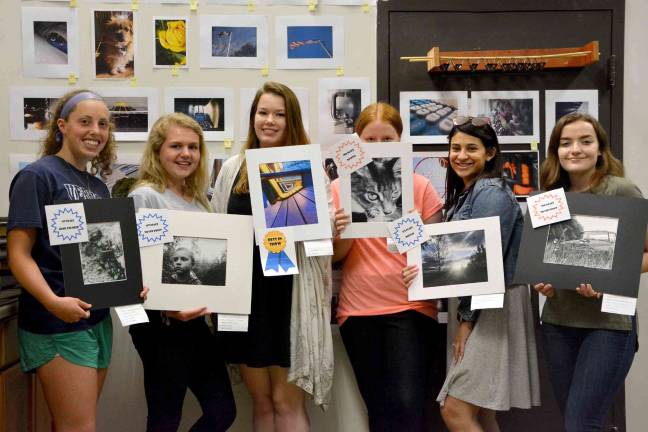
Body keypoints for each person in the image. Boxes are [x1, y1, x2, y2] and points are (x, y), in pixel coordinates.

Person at [7, 89, 146, 432]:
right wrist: (53, 302)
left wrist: (126, 284)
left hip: (95, 321)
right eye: (85, 121)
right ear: (62, 126)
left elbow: (99, 253)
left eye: (102, 124)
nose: (95, 131)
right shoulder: (39, 176)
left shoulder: (98, 187)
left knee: (72, 425)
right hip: (56, 322)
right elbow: (19, 255)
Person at [210, 82, 333, 431]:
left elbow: (321, 246)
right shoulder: (233, 168)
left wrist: (329, 226)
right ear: (252, 118)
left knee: (286, 402)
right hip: (245, 299)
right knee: (262, 402)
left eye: (279, 114)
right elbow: (219, 230)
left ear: (290, 120)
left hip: (288, 300)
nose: (270, 121)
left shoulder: (309, 170)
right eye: (263, 112)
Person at [332, 102, 446, 431]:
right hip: (358, 312)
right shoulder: (339, 187)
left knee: (410, 405)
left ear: (400, 139)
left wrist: (421, 256)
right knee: (378, 407)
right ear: (357, 141)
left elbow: (435, 255)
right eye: (370, 139)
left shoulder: (420, 187)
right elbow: (337, 257)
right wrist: (343, 230)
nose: (378, 147)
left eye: (387, 139)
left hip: (410, 308)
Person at [534, 112, 648, 432]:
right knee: (578, 422)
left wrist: (606, 278)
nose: (575, 150)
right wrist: (544, 283)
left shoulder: (621, 191)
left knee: (581, 424)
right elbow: (546, 262)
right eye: (566, 143)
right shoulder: (550, 198)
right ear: (557, 151)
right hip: (558, 322)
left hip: (609, 325)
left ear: (600, 149)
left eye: (585, 141)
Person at [128, 113, 236, 432]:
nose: (185, 154)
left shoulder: (201, 202)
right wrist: (164, 307)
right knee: (165, 418)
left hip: (195, 323)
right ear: (158, 151)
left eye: (193, 146)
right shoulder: (145, 196)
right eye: (176, 146)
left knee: (222, 411)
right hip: (158, 326)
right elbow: (132, 269)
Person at [431, 116, 540, 431]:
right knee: (483, 411)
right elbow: (459, 259)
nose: (461, 156)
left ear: (490, 153)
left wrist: (467, 321)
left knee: (456, 410)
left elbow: (484, 265)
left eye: (471, 148)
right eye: (455, 148)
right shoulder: (469, 193)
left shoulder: (490, 193)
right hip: (480, 303)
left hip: (489, 305)